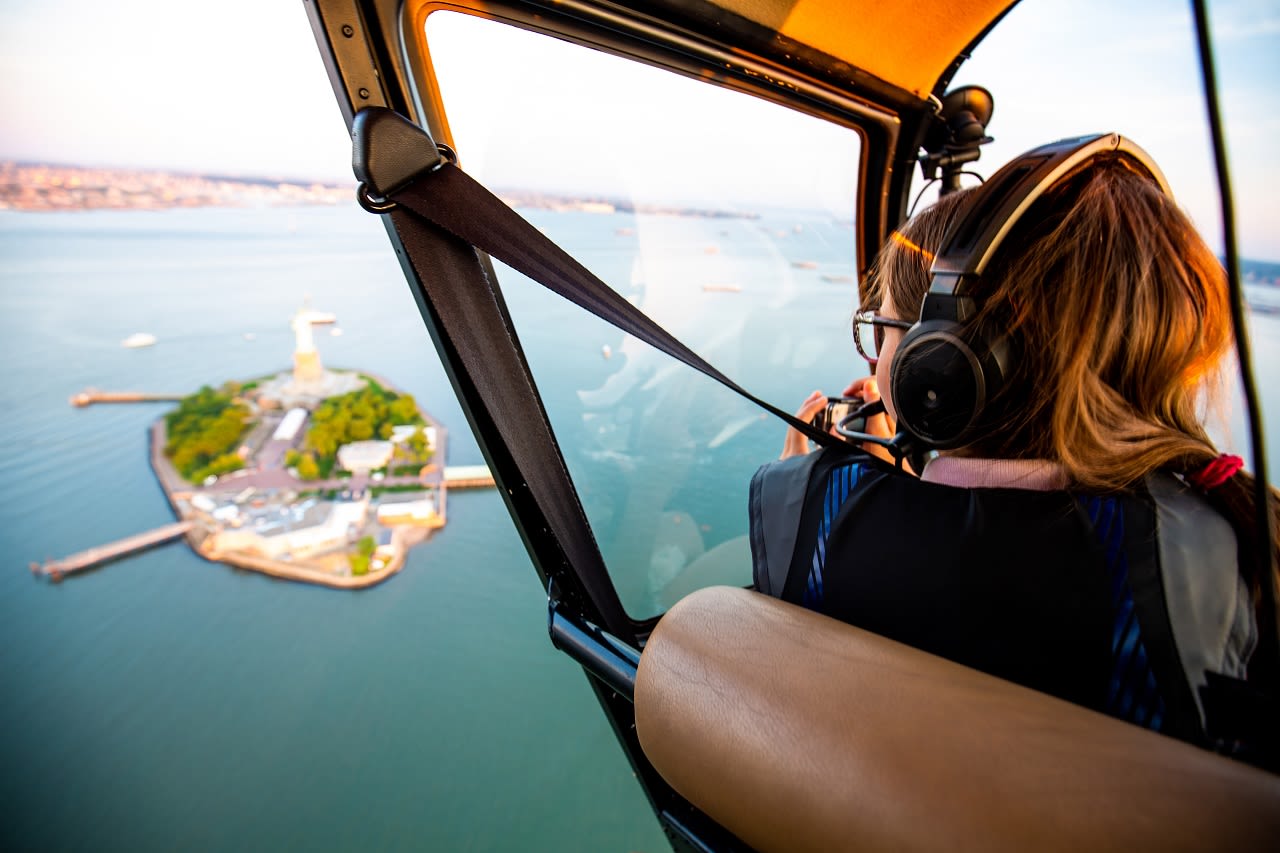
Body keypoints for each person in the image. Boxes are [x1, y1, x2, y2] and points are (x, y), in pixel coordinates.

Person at [749, 136, 1278, 765]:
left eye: (884, 329)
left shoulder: (810, 511)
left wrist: (811, 479)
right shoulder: (1232, 547)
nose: (873, 359)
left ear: (941, 364)